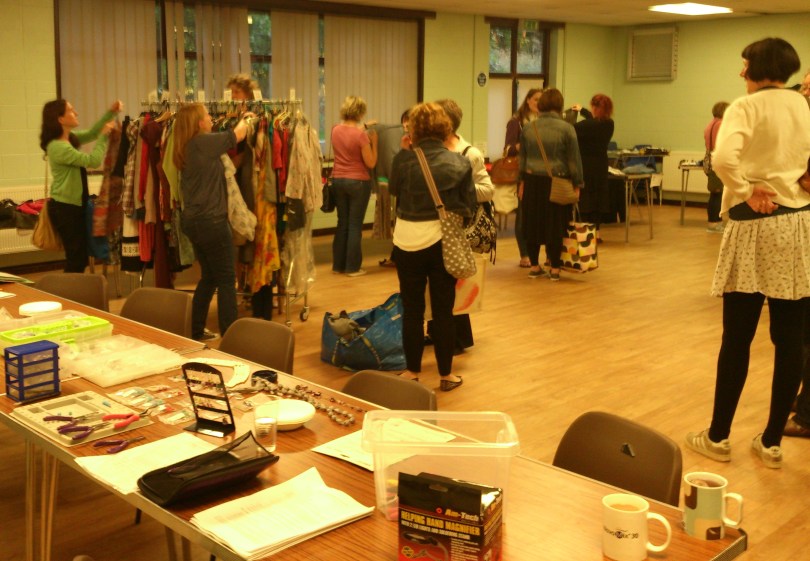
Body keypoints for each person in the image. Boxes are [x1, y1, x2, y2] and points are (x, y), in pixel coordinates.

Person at [685, 37, 810, 468]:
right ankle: (772, 442)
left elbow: (722, 159)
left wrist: (746, 188)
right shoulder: (802, 105)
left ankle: (718, 436)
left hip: (755, 225)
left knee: (737, 337)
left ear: (759, 66)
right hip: (798, 224)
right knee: (789, 339)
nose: (741, 72)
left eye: (745, 64)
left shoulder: (746, 106)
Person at [389, 102, 476, 391]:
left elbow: (393, 191)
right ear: (445, 129)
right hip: (442, 241)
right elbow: (468, 205)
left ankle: (412, 371)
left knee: (412, 309)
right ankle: (446, 375)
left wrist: (404, 151)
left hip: (406, 240)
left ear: (412, 130)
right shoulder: (459, 162)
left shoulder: (403, 160)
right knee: (443, 311)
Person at [172, 103, 255, 341]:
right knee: (227, 280)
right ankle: (230, 336)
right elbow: (238, 134)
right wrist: (247, 118)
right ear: (199, 123)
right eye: (208, 115)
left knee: (209, 277)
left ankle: (196, 330)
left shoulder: (189, 146)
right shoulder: (202, 142)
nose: (211, 118)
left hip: (194, 222)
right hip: (212, 222)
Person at [429, 98, 495, 353]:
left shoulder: (470, 154)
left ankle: (457, 338)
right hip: (434, 227)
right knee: (436, 284)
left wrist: (456, 191)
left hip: (458, 229)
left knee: (453, 285)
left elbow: (487, 190)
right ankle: (436, 332)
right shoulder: (429, 151)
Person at [39, 99, 121, 272]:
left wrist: (111, 112)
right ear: (60, 119)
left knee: (80, 258)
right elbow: (93, 161)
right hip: (65, 208)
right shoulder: (58, 147)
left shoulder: (69, 138)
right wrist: (104, 137)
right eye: (71, 110)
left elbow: (92, 133)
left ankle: (73, 287)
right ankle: (69, 288)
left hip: (74, 206)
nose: (76, 113)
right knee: (76, 259)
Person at [518, 88, 584, 281]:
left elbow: (523, 160)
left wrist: (521, 183)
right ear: (560, 106)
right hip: (558, 182)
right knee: (556, 225)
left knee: (532, 224)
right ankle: (555, 268)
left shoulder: (529, 128)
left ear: (541, 105)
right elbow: (574, 160)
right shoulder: (567, 129)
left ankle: (534, 266)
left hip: (531, 182)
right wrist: (578, 183)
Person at [330, 96, 378, 276]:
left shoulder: (335, 129)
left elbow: (349, 133)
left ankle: (338, 266)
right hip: (358, 182)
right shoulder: (361, 136)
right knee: (355, 225)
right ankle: (352, 267)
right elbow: (371, 162)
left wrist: (364, 126)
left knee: (342, 223)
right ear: (361, 112)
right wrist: (375, 144)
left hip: (338, 180)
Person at [505, 89, 542, 268]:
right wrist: (525, 145)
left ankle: (539, 254)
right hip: (524, 173)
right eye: (536, 99)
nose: (538, 103)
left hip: (541, 172)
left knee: (540, 216)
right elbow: (508, 149)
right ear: (528, 100)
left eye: (541, 100)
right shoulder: (516, 122)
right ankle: (524, 254)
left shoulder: (544, 121)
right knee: (523, 214)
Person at [571, 94, 615, 230]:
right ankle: (597, 232)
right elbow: (594, 120)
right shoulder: (609, 124)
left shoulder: (585, 126)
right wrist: (583, 110)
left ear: (594, 107)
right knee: (598, 200)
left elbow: (570, 128)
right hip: (601, 166)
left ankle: (586, 232)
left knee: (586, 200)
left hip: (586, 166)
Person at [704, 101, 730, 233]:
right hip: (717, 162)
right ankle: (713, 224)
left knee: (715, 193)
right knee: (717, 193)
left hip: (710, 161)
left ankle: (715, 222)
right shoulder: (721, 124)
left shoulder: (710, 124)